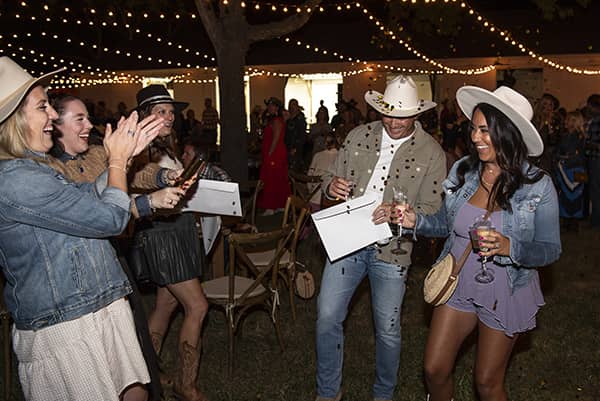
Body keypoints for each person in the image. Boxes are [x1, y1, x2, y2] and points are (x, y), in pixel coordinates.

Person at [0, 56, 159, 401]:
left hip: (96, 304)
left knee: (135, 393)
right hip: (66, 325)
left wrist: (125, 157)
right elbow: (109, 220)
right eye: (43, 106)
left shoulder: (35, 170)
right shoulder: (14, 180)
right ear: (14, 119)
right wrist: (116, 161)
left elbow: (86, 200)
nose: (53, 115)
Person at [401, 85, 561, 401]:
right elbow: (447, 225)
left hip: (506, 286)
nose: (475, 137)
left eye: (485, 130)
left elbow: (550, 248)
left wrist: (508, 247)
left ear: (509, 133)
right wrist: (415, 221)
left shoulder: (538, 186)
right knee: (434, 368)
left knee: (487, 383)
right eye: (473, 128)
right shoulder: (464, 171)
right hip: (458, 280)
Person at [316, 75, 446, 401]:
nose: (394, 122)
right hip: (348, 242)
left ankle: (383, 395)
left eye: (402, 116)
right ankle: (328, 392)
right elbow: (330, 177)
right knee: (327, 317)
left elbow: (433, 211)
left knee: (387, 330)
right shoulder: (358, 136)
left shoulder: (431, 153)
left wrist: (400, 212)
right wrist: (331, 186)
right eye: (388, 113)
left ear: (417, 115)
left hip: (393, 250)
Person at [133, 85, 211, 401]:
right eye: (160, 111)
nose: (169, 116)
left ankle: (147, 375)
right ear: (144, 116)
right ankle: (185, 384)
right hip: (161, 234)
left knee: (166, 304)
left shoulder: (167, 143)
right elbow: (140, 180)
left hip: (175, 228)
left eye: (171, 111)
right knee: (198, 305)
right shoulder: (142, 146)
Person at [257, 97, 291, 215]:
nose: (269, 108)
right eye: (269, 105)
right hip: (275, 152)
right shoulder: (275, 119)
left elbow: (276, 138)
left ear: (276, 107)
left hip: (275, 153)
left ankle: (271, 206)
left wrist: (270, 154)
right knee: (277, 178)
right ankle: (279, 204)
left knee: (273, 178)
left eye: (271, 105)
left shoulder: (277, 120)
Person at [555, 110, 587, 230]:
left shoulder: (579, 137)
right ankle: (567, 221)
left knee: (577, 195)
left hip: (577, 170)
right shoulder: (565, 136)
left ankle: (573, 222)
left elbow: (578, 155)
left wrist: (565, 158)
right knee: (566, 195)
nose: (567, 122)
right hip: (569, 169)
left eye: (571, 120)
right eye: (567, 120)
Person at [584, 94, 600, 228]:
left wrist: (586, 142)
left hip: (596, 159)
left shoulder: (596, 121)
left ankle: (596, 220)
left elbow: (593, 143)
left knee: (595, 190)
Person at [285, 98, 307, 172]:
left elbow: (301, 135)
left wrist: (296, 147)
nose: (292, 108)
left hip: (295, 147)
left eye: (294, 105)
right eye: (290, 106)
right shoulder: (288, 119)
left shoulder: (300, 119)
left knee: (294, 167)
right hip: (287, 145)